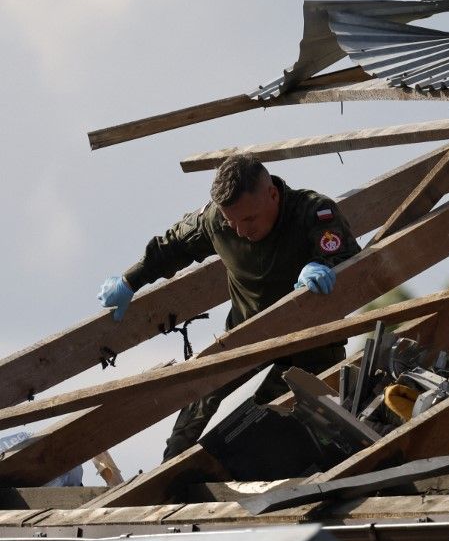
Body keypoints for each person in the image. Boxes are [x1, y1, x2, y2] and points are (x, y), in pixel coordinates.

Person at [97, 155, 361, 460]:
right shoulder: (216, 222)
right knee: (195, 405)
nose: (240, 231)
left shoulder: (312, 212)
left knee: (266, 427)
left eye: (249, 219)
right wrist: (130, 281)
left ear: (273, 195)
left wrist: (325, 265)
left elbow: (351, 259)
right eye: (232, 221)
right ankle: (170, 472)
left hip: (312, 345)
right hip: (248, 333)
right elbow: (171, 246)